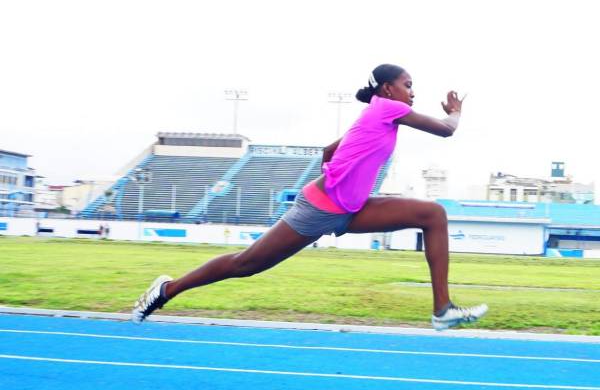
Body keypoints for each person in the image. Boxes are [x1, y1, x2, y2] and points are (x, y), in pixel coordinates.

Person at [132, 64, 487, 330]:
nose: (412, 93)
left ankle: (442, 310)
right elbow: (446, 130)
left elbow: (328, 152)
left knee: (433, 215)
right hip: (320, 209)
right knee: (246, 265)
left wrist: (345, 180)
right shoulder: (386, 108)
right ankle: (167, 290)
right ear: (387, 88)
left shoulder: (375, 116)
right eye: (408, 86)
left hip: (351, 209)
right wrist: (455, 111)